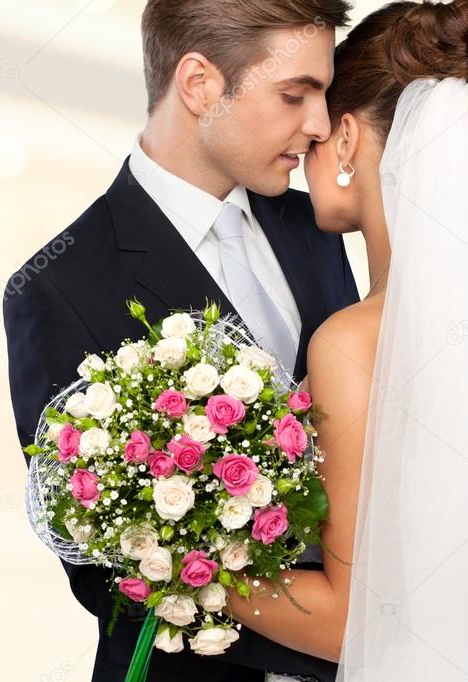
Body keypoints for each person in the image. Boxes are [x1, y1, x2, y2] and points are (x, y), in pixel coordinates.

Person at [2, 1, 360, 679]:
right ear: (198, 84)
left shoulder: (313, 226)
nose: (317, 126)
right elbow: (99, 564)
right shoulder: (57, 285)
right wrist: (336, 632)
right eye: (294, 95)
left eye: (323, 95)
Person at [223, 2, 468, 680]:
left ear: (350, 139)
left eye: (317, 121)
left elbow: (353, 619)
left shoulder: (354, 344)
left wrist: (180, 557)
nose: (303, 142)